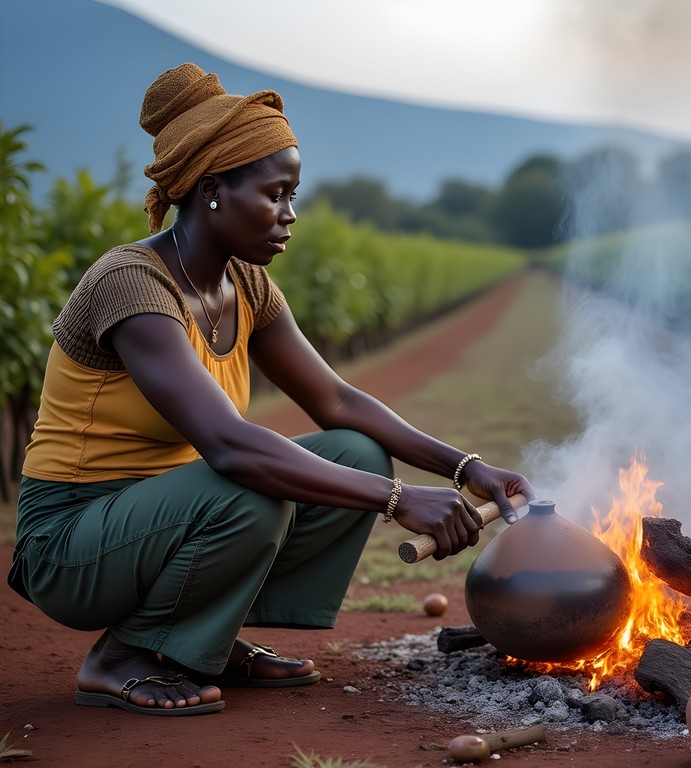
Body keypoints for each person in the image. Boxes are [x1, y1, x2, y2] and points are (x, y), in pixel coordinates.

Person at [6, 62, 534, 717]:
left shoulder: (246, 285)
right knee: (254, 491)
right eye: (276, 193)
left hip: (160, 520)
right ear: (212, 192)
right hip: (71, 545)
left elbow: (338, 402)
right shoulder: (131, 286)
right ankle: (122, 657)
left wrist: (464, 465)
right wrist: (397, 499)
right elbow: (229, 447)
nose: (289, 214)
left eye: (293, 195)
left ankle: (203, 637)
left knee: (355, 451)